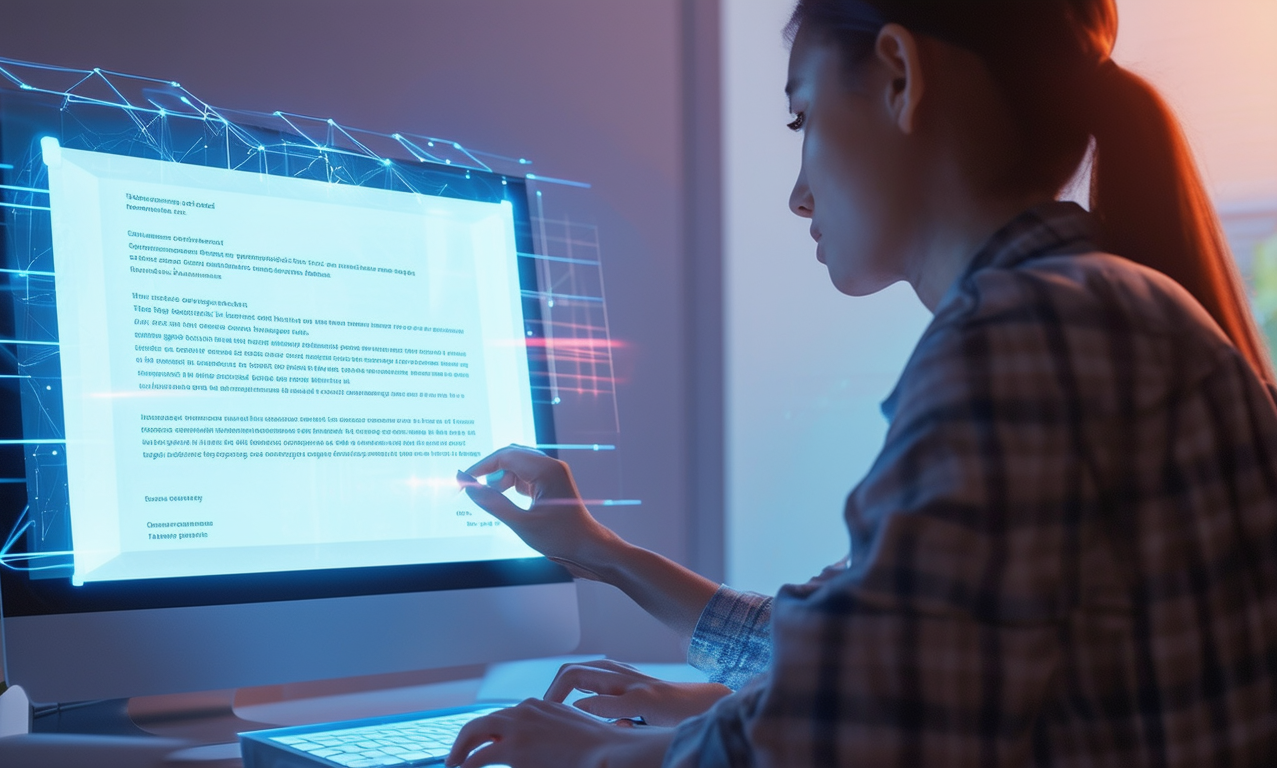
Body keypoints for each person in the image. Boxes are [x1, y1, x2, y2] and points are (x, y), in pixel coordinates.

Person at [447, 0, 1277, 765]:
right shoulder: (1084, 307)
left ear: (899, 78)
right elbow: (878, 649)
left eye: (802, 118)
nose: (798, 194)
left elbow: (851, 735)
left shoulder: (1027, 336)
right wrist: (603, 554)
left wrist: (597, 759)